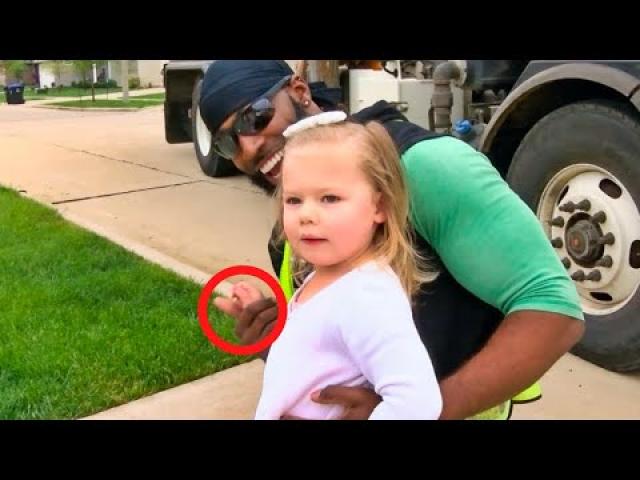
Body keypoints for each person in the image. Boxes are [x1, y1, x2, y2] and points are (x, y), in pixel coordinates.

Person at [204, 60, 585, 420]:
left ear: (300, 90)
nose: (248, 145)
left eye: (256, 116)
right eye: (227, 144)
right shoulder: (296, 220)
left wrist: (409, 411)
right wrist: (278, 335)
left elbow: (553, 311)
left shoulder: (422, 166)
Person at [249, 115, 442, 420]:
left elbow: (417, 403)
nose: (306, 215)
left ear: (379, 206)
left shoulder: (367, 294)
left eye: (329, 198)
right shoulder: (328, 276)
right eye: (294, 200)